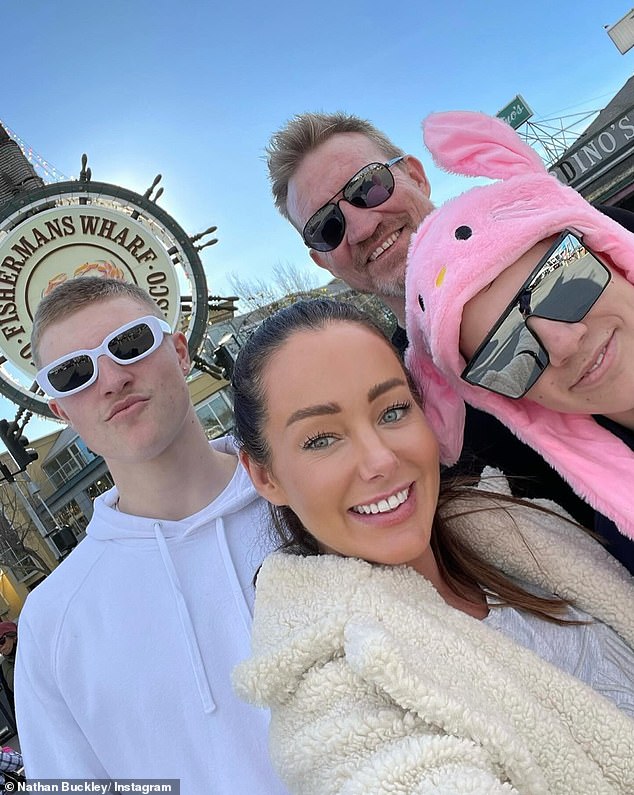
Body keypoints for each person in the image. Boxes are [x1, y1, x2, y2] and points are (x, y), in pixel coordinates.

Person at [231, 298, 634, 794]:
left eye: (393, 410)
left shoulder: (518, 524)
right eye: (320, 439)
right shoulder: (331, 693)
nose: (379, 459)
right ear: (265, 475)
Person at [267, 111, 634, 533]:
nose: (362, 226)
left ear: (417, 176)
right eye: (326, 227)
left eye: (368, 186)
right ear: (323, 261)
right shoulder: (403, 400)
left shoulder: (576, 234)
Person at [15, 278, 289, 793]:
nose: (111, 379)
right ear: (60, 409)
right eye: (74, 373)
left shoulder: (310, 499)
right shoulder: (52, 623)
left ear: (180, 350)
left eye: (130, 344)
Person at [405, 110, 634, 573]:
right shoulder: (616, 543)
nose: (562, 344)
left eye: (563, 284)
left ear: (608, 252)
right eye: (508, 354)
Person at [0, 622, 17, 718]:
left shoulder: (29, 648)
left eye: (1, 640)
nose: (1, 647)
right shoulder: (5, 666)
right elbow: (13, 688)